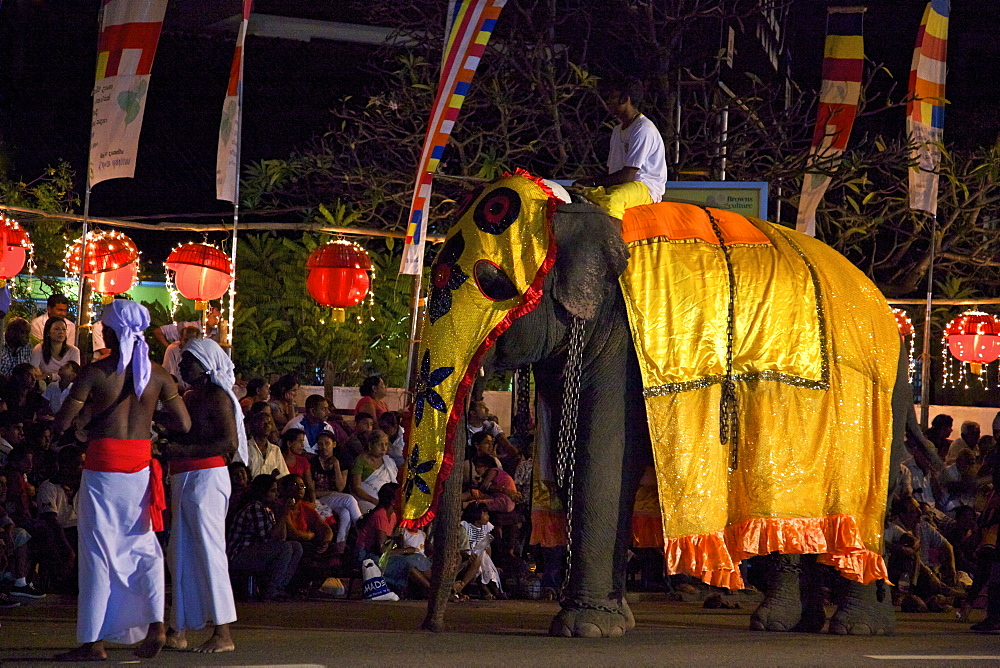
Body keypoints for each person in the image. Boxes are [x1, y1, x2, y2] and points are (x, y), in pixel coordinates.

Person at [50, 299, 191, 661]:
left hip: (103, 467)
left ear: (112, 331)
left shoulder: (96, 372)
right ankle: (156, 623)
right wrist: (152, 424)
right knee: (143, 546)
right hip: (140, 466)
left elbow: (64, 421)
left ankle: (93, 642)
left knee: (98, 551)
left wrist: (77, 429)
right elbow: (184, 424)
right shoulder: (158, 374)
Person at [162, 338, 245, 654]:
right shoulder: (189, 396)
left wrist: (184, 450)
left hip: (206, 477)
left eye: (189, 362)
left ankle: (223, 633)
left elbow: (229, 443)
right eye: (182, 362)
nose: (182, 366)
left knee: (210, 552)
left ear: (207, 365)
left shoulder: (217, 397)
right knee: (179, 552)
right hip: (183, 476)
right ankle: (177, 628)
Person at [572, 77, 667, 220]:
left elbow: (628, 175)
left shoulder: (643, 129)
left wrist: (593, 182)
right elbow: (612, 171)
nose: (609, 102)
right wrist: (588, 184)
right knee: (581, 193)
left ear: (625, 99)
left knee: (613, 199)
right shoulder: (618, 130)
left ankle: (612, 242)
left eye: (613, 97)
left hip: (644, 186)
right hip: (624, 184)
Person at [226, 473, 302, 601]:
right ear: (262, 492)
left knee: (296, 547)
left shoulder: (267, 510)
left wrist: (283, 514)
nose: (276, 494)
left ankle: (280, 587)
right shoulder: (255, 507)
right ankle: (271, 591)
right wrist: (283, 514)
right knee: (286, 548)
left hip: (255, 551)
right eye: (273, 491)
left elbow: (281, 538)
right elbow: (269, 538)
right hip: (238, 556)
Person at [354, 482, 429, 596]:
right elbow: (381, 550)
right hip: (367, 556)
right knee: (407, 564)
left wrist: (403, 546)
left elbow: (391, 542)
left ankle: (443, 589)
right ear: (393, 501)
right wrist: (405, 551)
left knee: (417, 557)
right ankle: (433, 592)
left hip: (379, 554)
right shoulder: (381, 515)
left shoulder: (392, 515)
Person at [37, 445, 84, 592]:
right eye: (78, 464)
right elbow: (51, 520)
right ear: (64, 466)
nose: (82, 468)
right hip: (60, 533)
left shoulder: (85, 486)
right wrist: (68, 550)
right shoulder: (49, 487)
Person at [310, 432, 361, 555]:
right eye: (320, 444)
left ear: (334, 444)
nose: (324, 447)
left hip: (334, 497)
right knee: (349, 500)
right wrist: (329, 492)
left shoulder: (342, 461)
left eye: (327, 443)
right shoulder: (313, 462)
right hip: (319, 499)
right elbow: (312, 491)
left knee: (345, 513)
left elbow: (340, 487)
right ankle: (363, 529)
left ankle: (339, 549)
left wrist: (337, 466)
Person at [350, 430, 398, 513]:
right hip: (367, 499)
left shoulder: (388, 462)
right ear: (370, 445)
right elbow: (356, 487)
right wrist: (376, 501)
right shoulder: (360, 461)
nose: (384, 448)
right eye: (380, 444)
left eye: (386, 444)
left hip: (387, 500)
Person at [31, 317, 81, 384]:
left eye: (64, 329)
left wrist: (49, 376)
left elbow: (73, 374)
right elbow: (33, 371)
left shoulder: (74, 351)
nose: (61, 332)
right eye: (57, 329)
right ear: (48, 332)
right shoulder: (39, 349)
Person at [240, 411, 290, 479]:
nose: (267, 425)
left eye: (269, 423)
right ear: (255, 425)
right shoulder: (245, 447)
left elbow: (283, 475)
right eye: (263, 423)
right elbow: (237, 470)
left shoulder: (275, 450)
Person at [152, 304, 222, 348]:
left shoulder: (218, 333)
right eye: (215, 317)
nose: (217, 321)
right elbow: (158, 331)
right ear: (206, 315)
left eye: (219, 318)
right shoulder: (187, 326)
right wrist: (169, 348)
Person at [279, 428, 316, 502]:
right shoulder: (279, 459)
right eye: (299, 441)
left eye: (303, 441)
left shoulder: (303, 461)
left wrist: (312, 503)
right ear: (289, 443)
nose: (302, 445)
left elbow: (310, 487)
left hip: (300, 500)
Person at [162, 326, 201, 390]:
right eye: (186, 340)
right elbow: (169, 374)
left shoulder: (200, 352)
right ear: (180, 339)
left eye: (193, 341)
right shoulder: (172, 350)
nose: (189, 343)